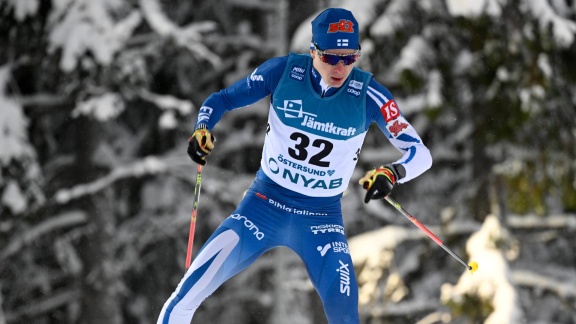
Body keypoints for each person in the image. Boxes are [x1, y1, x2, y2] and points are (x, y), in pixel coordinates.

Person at [157, 8, 432, 324]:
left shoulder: (368, 94)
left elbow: (420, 153)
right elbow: (221, 100)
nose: (340, 67)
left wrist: (392, 172)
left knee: (345, 316)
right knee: (183, 300)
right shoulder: (284, 72)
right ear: (313, 51)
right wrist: (202, 128)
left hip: (322, 218)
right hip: (262, 206)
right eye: (330, 57)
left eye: (350, 57)